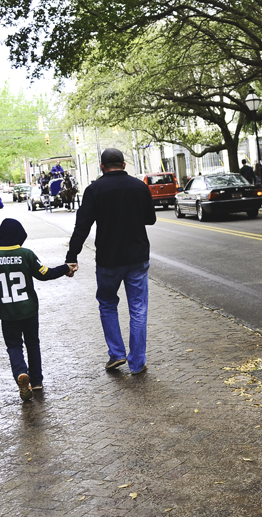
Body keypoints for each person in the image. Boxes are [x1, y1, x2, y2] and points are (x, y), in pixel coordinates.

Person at [66, 148, 156, 375]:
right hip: (137, 257)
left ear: (102, 167)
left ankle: (116, 354)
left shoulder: (94, 190)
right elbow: (150, 219)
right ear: (124, 165)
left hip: (108, 260)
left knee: (107, 304)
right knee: (138, 308)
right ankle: (137, 363)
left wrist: (72, 256)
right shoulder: (140, 187)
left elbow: (82, 226)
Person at [0, 218, 74, 401]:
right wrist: (65, 268)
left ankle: (21, 374)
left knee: (14, 345)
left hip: (7, 313)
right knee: (32, 343)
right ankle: (37, 380)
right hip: (29, 310)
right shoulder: (26, 254)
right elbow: (45, 274)